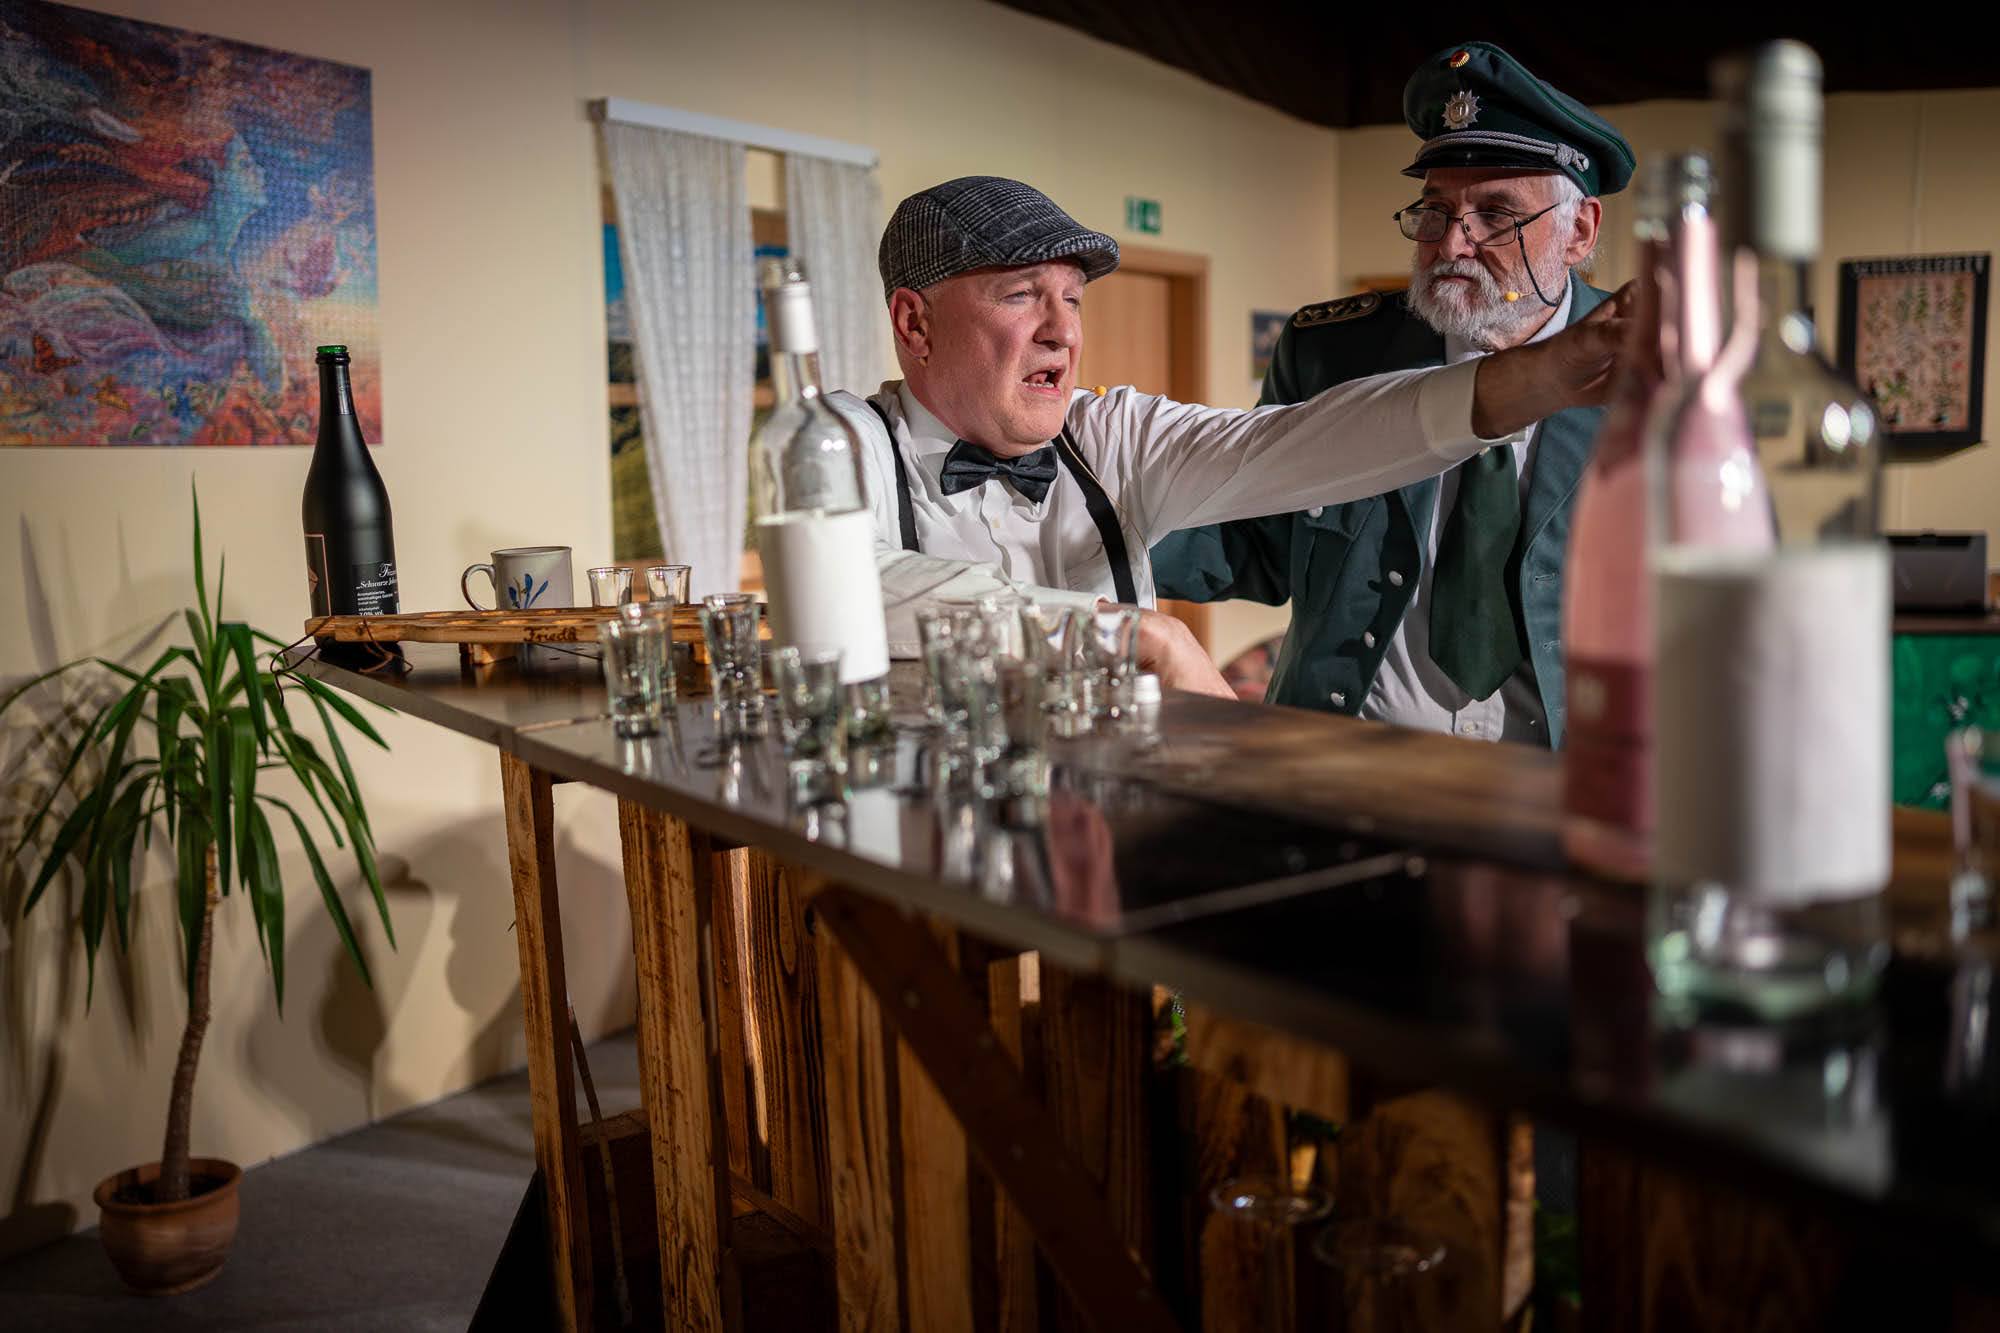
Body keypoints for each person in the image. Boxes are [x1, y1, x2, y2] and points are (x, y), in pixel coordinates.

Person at [827, 172, 1628, 695]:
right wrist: (1130, 636)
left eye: (1071, 300)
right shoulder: (839, 440)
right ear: (915, 323)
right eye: (1020, 295)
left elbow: (1312, 441)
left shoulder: (1109, 436)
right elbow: (843, 583)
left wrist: (1543, 378)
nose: (1062, 332)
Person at [1150, 41, 1635, 743]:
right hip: (1346, 760)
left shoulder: (1646, 368)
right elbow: (1254, 540)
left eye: (1496, 214)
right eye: (1435, 211)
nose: (1451, 245)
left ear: (1579, 231)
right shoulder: (1333, 354)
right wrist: (1089, 520)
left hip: (1564, 776)